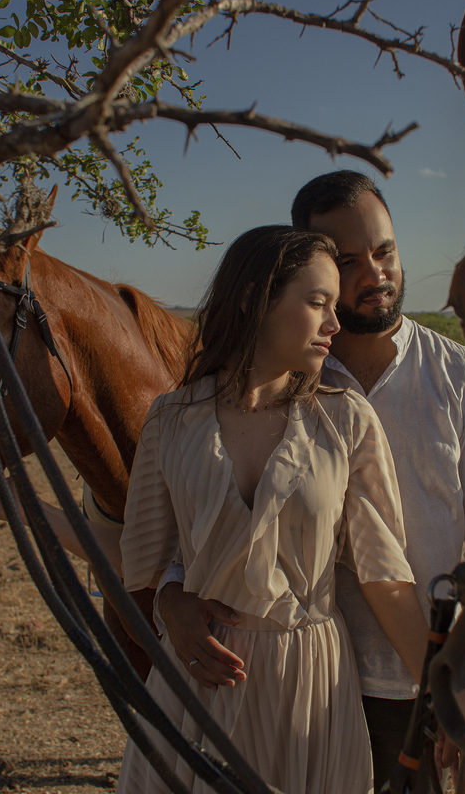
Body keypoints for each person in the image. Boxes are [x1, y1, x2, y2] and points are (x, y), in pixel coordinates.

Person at [160, 172, 465, 791]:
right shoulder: (279, 375)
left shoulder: (458, 375)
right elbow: (196, 522)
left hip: (421, 680)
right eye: (350, 262)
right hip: (299, 683)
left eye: (384, 251)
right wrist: (171, 597)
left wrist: (459, 685)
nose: (376, 275)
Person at [115, 225, 430, 794]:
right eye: (318, 304)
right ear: (254, 298)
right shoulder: (170, 419)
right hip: (198, 683)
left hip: (311, 686)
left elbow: (386, 578)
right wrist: (171, 603)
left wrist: (439, 708)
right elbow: (142, 562)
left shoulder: (345, 420)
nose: (334, 324)